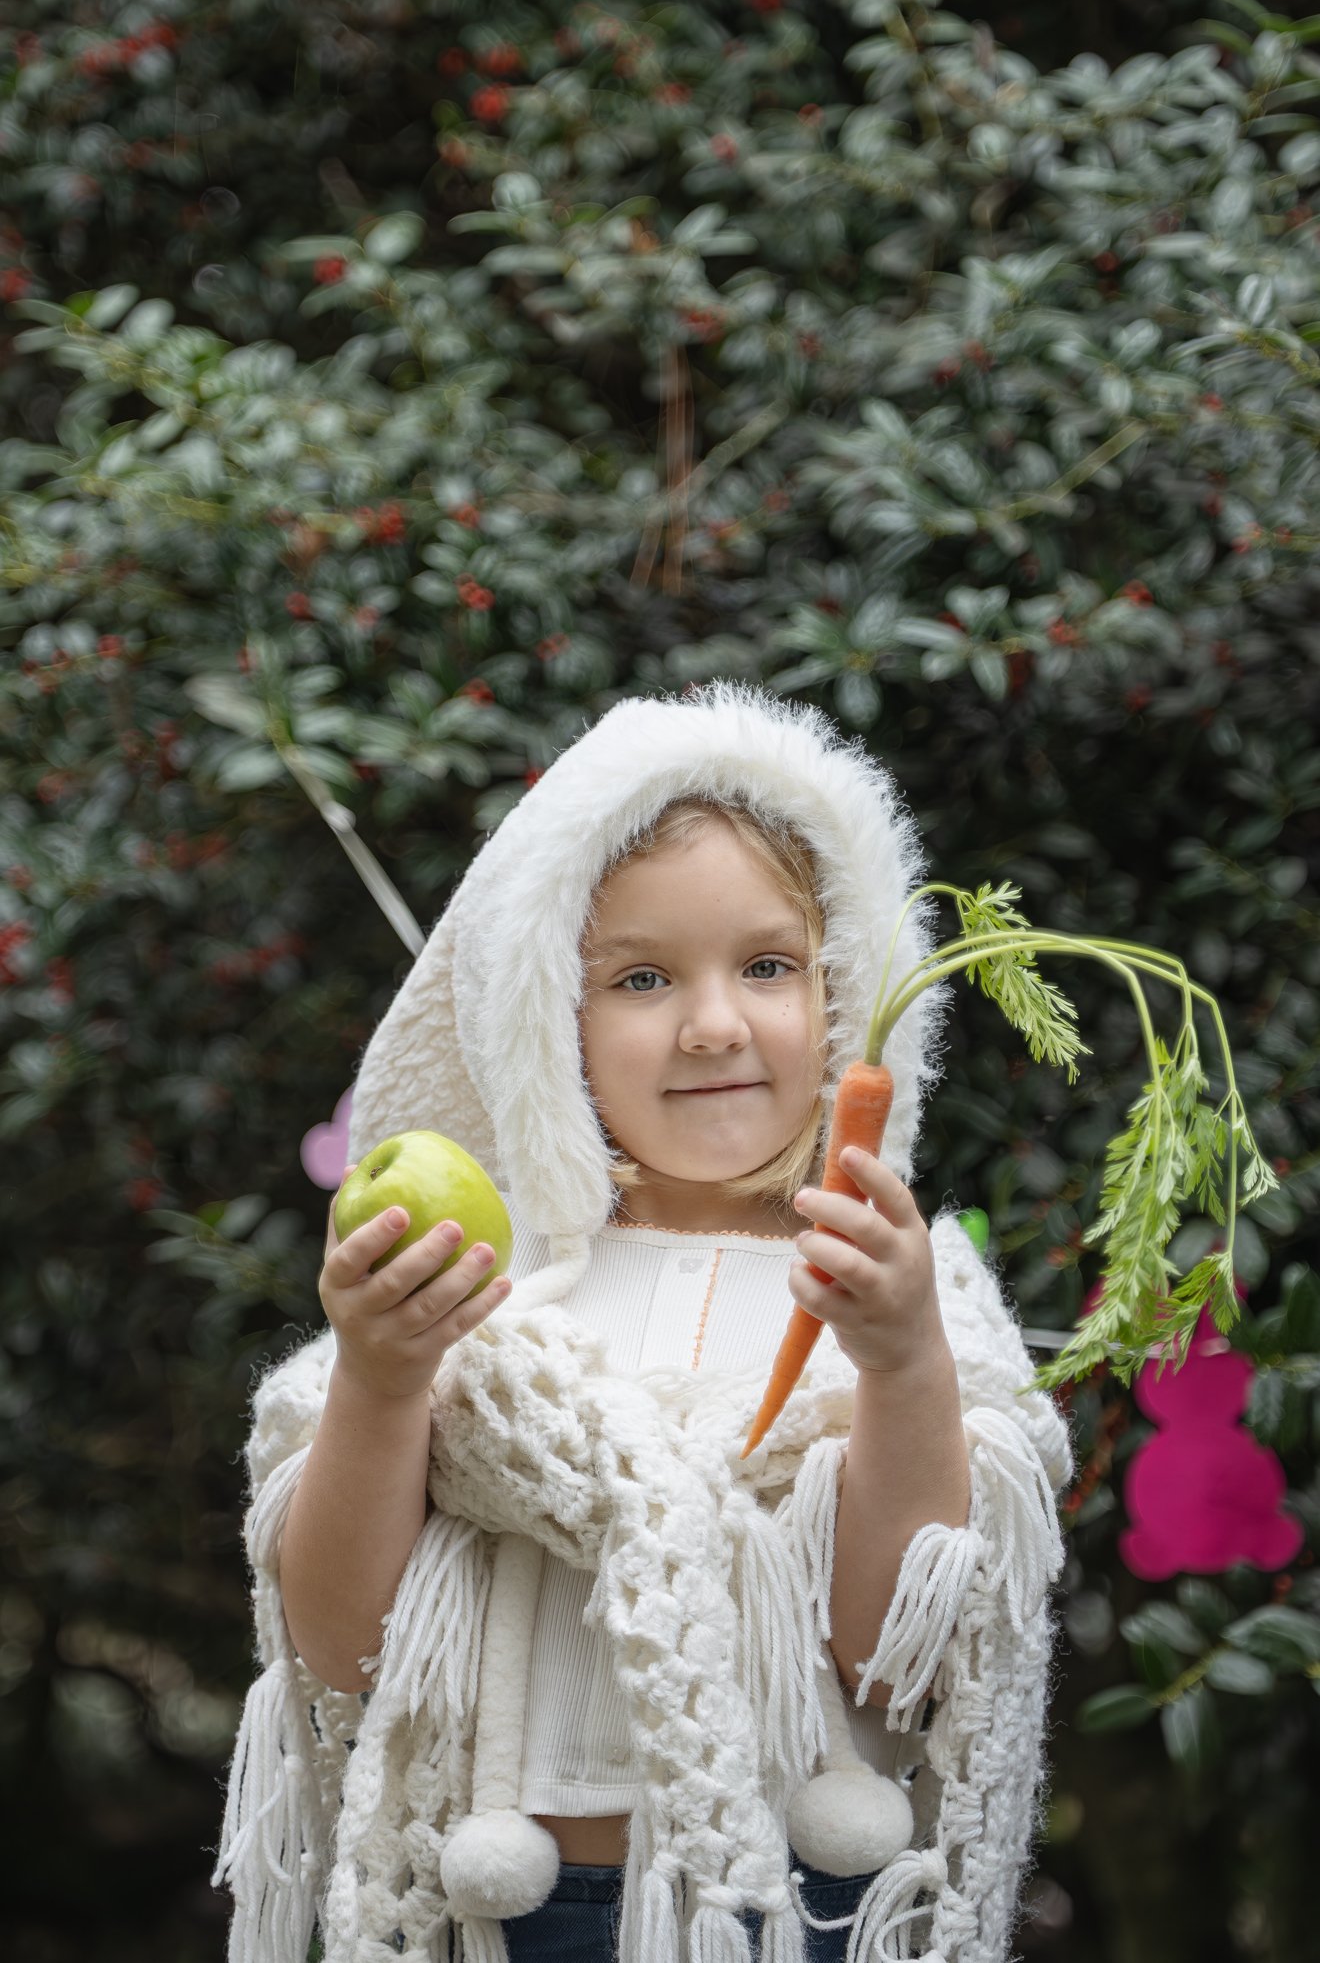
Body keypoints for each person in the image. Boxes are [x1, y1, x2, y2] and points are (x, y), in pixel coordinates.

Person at [212, 680, 1073, 1963]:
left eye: (769, 965)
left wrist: (899, 1366)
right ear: (547, 1022)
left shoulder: (903, 1293)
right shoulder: (485, 1296)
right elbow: (345, 1651)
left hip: (806, 1908)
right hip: (513, 1911)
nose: (714, 1023)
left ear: (849, 989)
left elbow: (897, 1663)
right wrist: (385, 1387)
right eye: (642, 977)